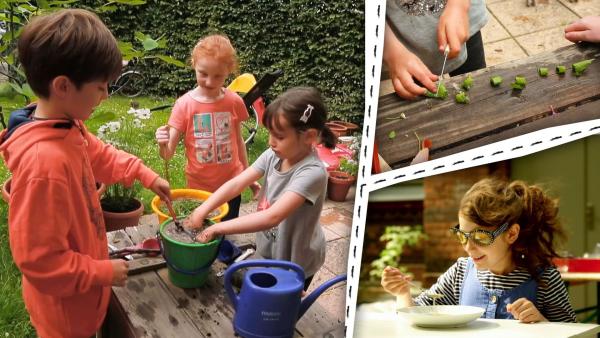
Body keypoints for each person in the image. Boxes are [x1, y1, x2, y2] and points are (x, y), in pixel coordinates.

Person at [0, 9, 171, 338]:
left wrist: (146, 174)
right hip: (64, 315)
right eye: (100, 87)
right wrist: (100, 271)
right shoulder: (44, 166)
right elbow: (39, 261)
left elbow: (100, 155)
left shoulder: (65, 125)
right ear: (63, 86)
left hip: (81, 296)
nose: (106, 95)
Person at [188, 87, 336, 290]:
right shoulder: (274, 154)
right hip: (271, 248)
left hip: (296, 260)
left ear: (309, 136)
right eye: (270, 134)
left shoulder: (313, 173)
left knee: (279, 311)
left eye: (280, 137)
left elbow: (272, 217)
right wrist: (203, 209)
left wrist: (216, 227)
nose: (270, 142)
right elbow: (237, 183)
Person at [381, 178, 577, 323]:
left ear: (511, 234)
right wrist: (402, 293)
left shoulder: (545, 279)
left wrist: (542, 322)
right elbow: (415, 317)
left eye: (480, 237)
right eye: (462, 235)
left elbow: (576, 333)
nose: (468, 246)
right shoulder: (460, 273)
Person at [155, 34, 259, 221]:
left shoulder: (234, 102)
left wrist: (248, 177)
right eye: (203, 74)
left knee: (226, 231)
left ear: (229, 71)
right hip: (199, 188)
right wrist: (162, 143)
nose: (209, 82)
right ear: (194, 64)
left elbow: (238, 141)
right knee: (204, 231)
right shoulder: (184, 105)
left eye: (218, 76)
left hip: (232, 185)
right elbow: (167, 155)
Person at [384, 0, 488, 99]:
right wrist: (391, 51)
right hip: (405, 47)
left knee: (477, 84)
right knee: (419, 93)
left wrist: (459, 5)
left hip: (461, 19)